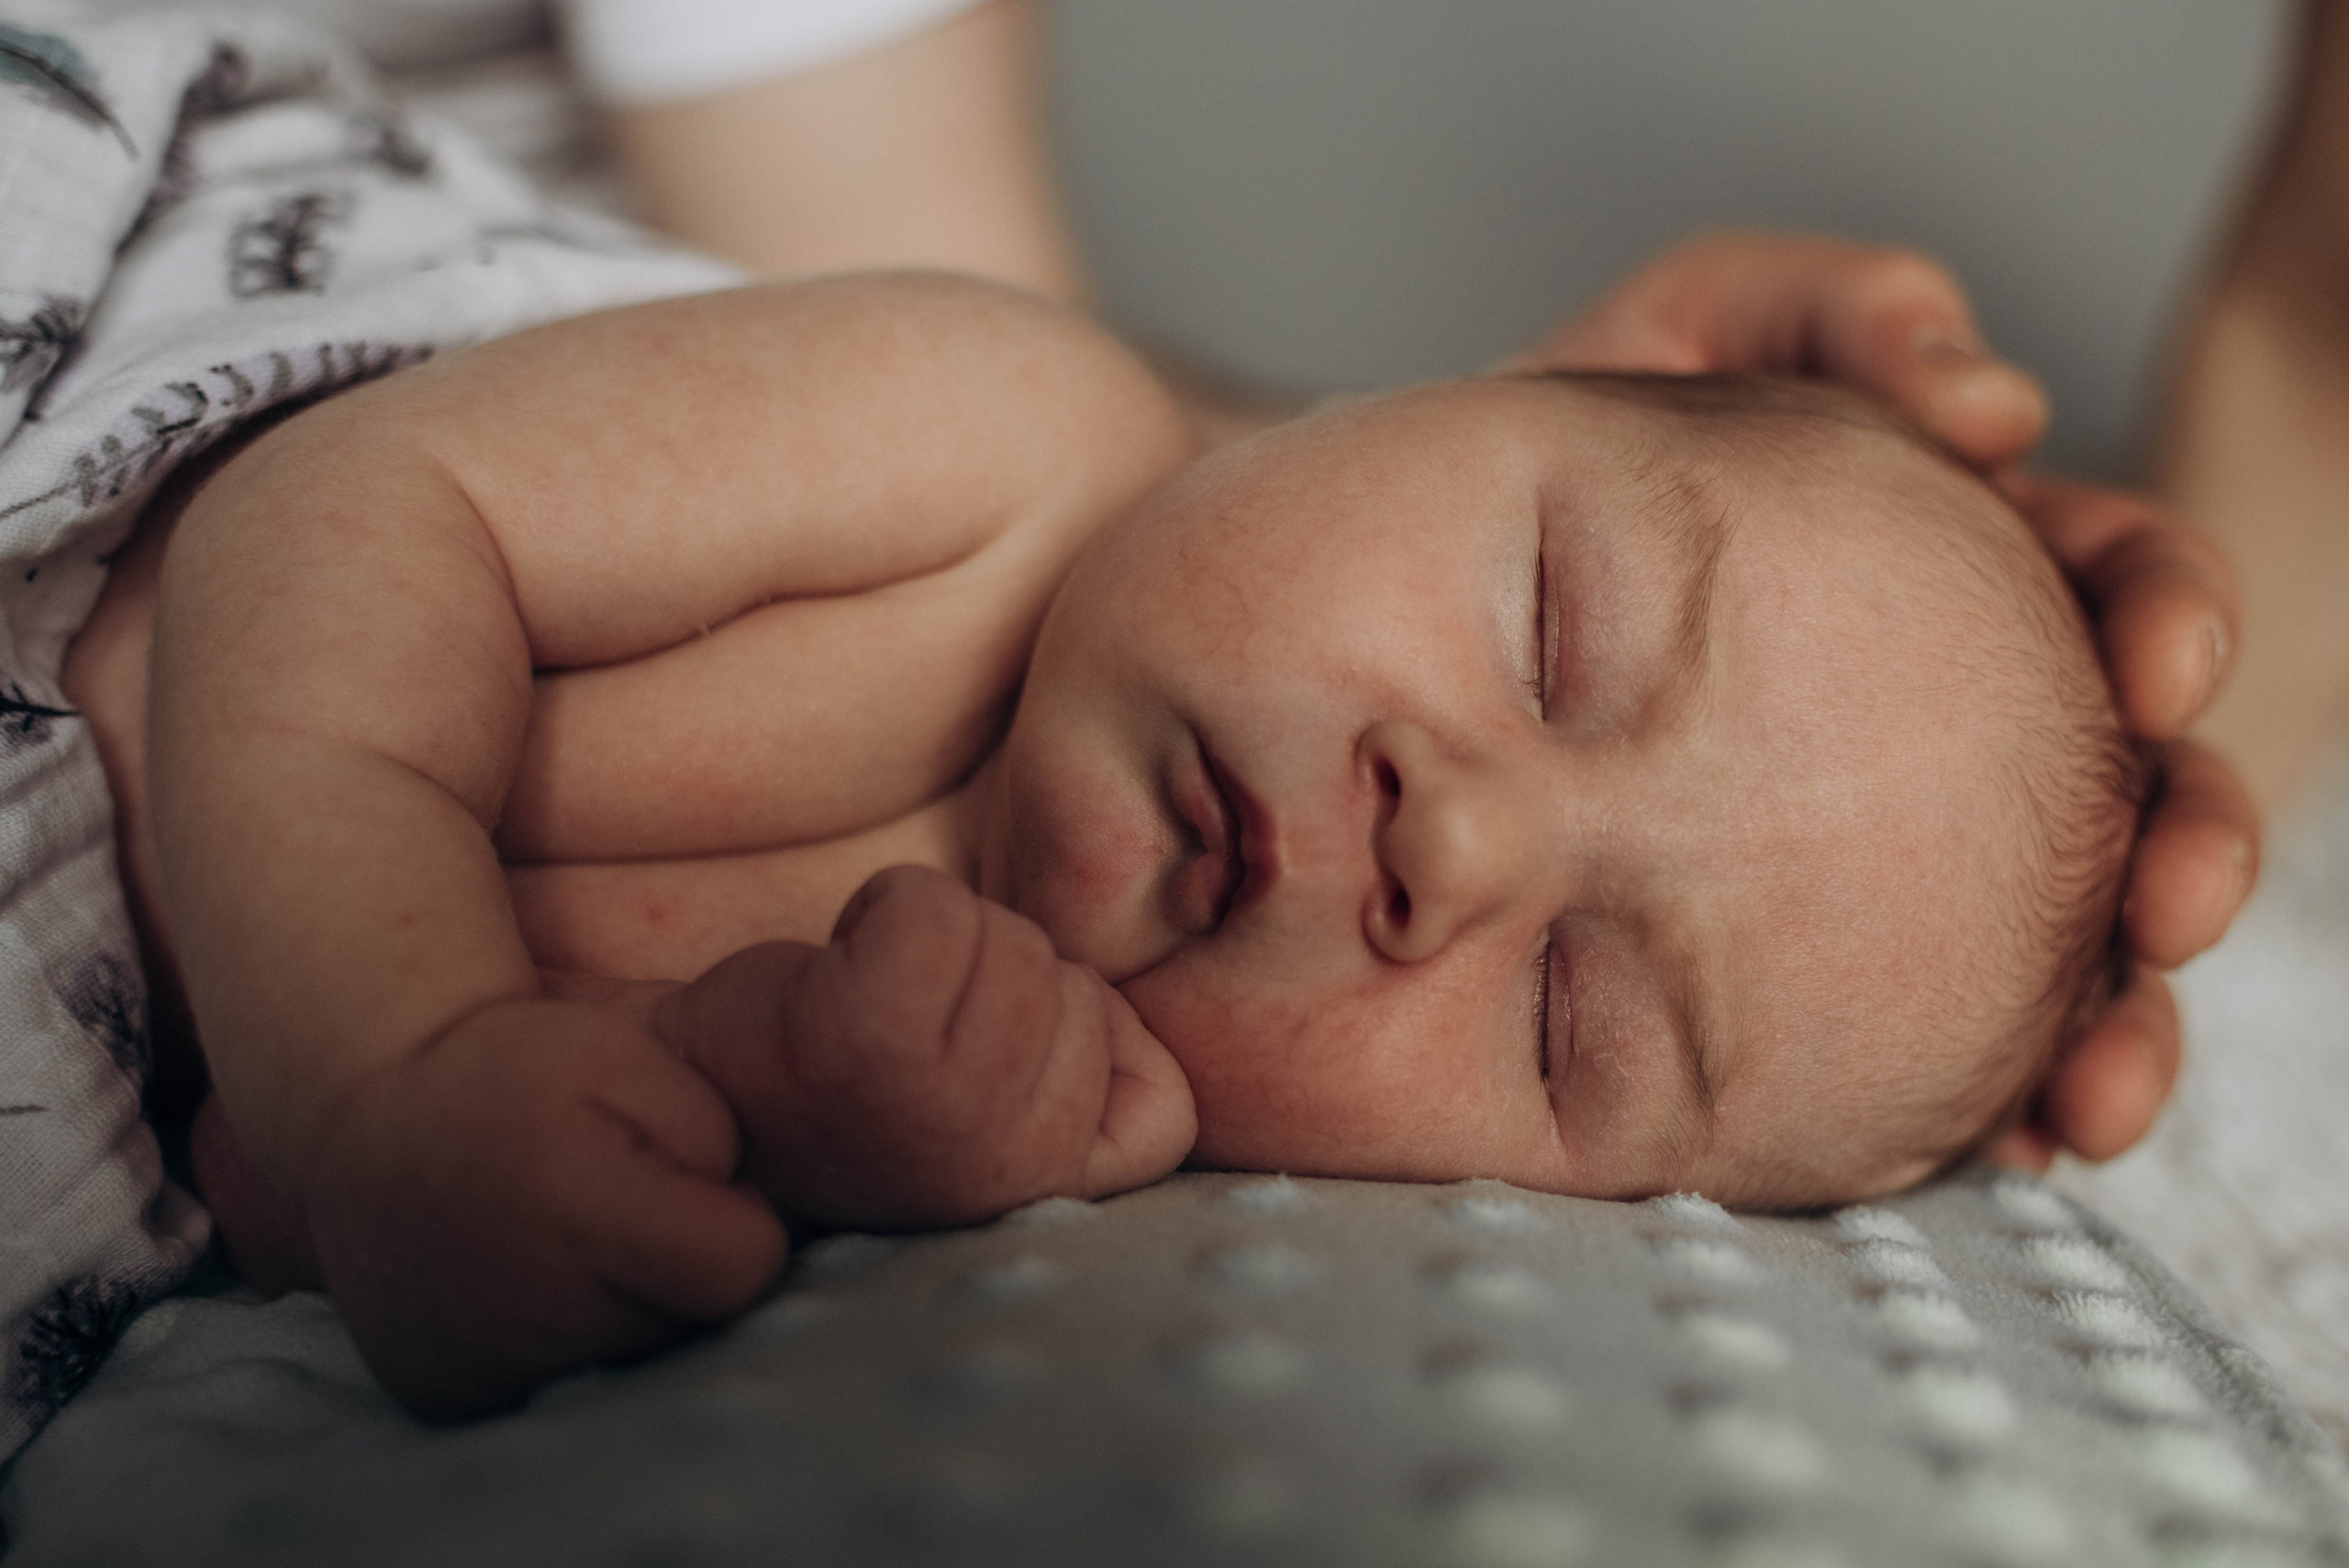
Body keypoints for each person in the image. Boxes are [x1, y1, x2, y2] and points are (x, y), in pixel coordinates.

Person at [60, 260, 2159, 1416]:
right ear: (1426, 387)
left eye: (1569, 1019)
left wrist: (784, 1114)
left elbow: (256, 1180)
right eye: (1552, 628)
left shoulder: (1041, 1122)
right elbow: (329, 520)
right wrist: (391, 1070)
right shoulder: (998, 438)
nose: (1468, 846)